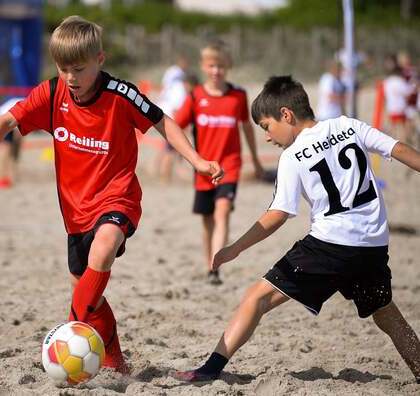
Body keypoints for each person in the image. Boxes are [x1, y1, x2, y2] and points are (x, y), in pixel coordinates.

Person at [0, 16, 223, 374]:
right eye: (63, 68)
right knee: (90, 294)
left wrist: (195, 159)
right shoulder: (52, 92)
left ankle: (67, 335)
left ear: (100, 60)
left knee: (102, 251)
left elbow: (162, 121)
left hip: (118, 198)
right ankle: (116, 361)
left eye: (78, 68)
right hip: (74, 212)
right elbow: (9, 121)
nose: (70, 77)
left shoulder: (121, 94)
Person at [171, 75, 420, 384]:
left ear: (286, 115)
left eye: (266, 126)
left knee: (255, 299)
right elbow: (398, 149)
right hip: (372, 245)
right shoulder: (349, 125)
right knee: (385, 312)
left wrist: (235, 247)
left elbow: (278, 214)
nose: (266, 136)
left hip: (329, 246)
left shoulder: (292, 156)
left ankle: (209, 369)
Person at [175, 41, 265, 285]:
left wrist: (255, 160)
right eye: (212, 66)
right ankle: (209, 265)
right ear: (204, 67)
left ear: (229, 67)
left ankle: (215, 268)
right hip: (203, 168)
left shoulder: (238, 96)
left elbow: (246, 127)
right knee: (207, 222)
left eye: (221, 66)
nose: (217, 71)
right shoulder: (196, 97)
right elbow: (175, 127)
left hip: (230, 165)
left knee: (222, 211)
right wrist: (186, 157)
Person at [0, 97, 23, 188]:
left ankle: (11, 176)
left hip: (9, 118)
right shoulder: (29, 105)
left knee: (13, 150)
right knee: (7, 149)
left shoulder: (29, 101)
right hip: (5, 120)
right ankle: (4, 177)